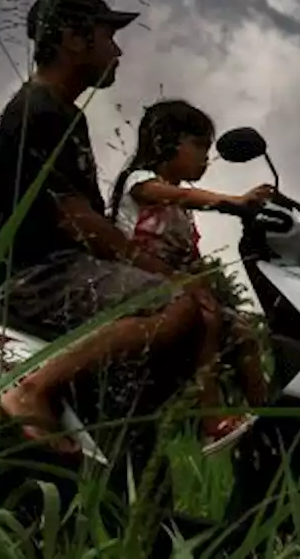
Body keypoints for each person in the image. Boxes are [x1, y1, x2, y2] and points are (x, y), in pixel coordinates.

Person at [0, 0, 207, 456]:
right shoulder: (37, 112)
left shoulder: (65, 114)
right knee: (175, 304)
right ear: (74, 38)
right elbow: (78, 220)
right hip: (41, 276)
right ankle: (33, 389)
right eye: (109, 36)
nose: (118, 50)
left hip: (68, 271)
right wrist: (164, 273)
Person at [108, 99, 273, 450]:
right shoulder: (141, 183)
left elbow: (192, 259)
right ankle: (211, 419)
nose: (206, 157)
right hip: (134, 286)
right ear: (166, 142)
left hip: (173, 287)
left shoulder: (183, 214)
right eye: (199, 146)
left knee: (243, 332)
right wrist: (233, 203)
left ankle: (269, 418)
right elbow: (178, 195)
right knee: (208, 319)